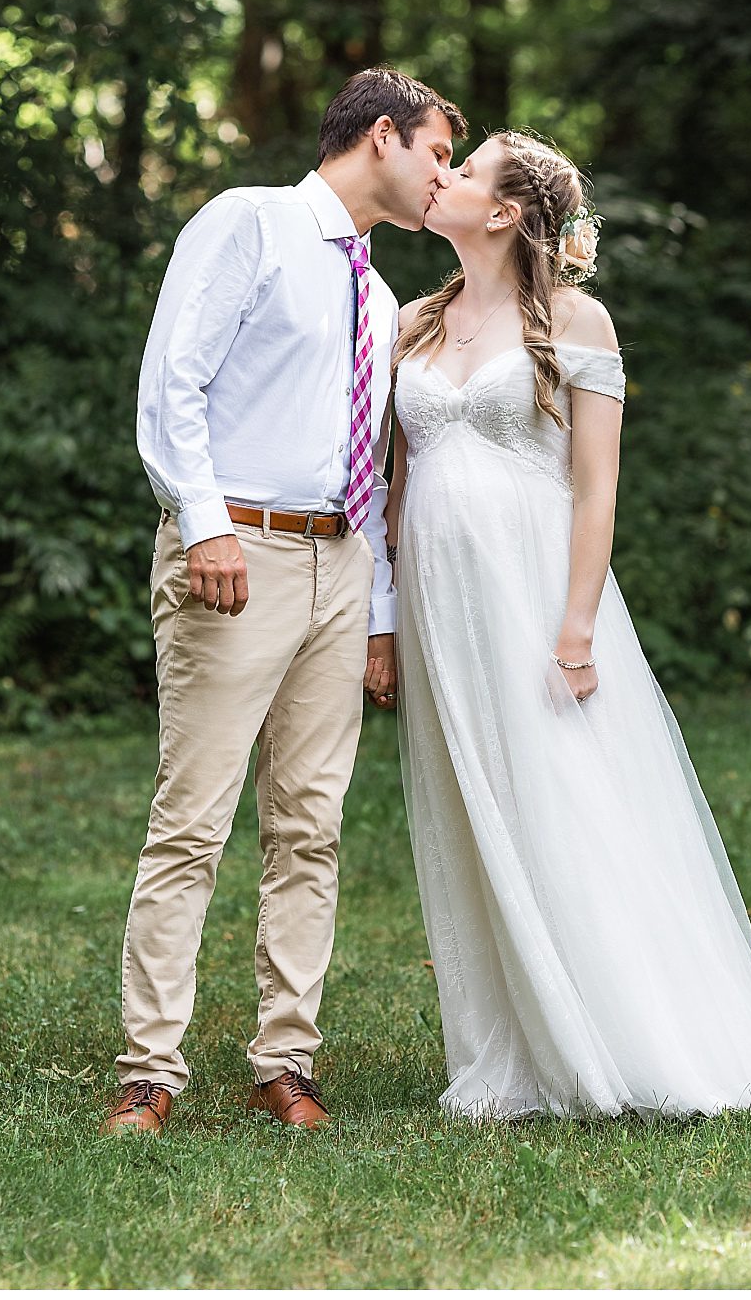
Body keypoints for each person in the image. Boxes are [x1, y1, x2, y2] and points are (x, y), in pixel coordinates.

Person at [386, 129, 751, 1118]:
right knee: (474, 806)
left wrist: (575, 630)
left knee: (564, 800)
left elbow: (594, 490)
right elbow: (396, 479)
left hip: (537, 593)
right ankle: (513, 1038)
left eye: (462, 171)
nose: (440, 179)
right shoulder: (414, 320)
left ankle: (626, 1035)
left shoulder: (575, 319)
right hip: (439, 601)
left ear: (502, 213)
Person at [106, 70, 467, 1137]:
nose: (442, 176)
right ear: (383, 136)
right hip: (237, 552)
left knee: (309, 824)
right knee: (193, 819)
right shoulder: (248, 222)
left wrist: (379, 614)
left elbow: (366, 459)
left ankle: (285, 1059)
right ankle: (147, 1069)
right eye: (438, 154)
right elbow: (171, 380)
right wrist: (205, 521)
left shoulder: (379, 294)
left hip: (339, 565)